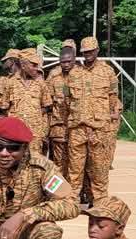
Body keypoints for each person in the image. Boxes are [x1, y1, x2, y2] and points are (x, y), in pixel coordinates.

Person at [66, 37, 120, 203]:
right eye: (85, 52)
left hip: (99, 129)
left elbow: (113, 100)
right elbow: (67, 99)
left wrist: (109, 128)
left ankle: (99, 200)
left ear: (97, 50)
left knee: (98, 168)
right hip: (77, 128)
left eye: (91, 51)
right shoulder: (74, 73)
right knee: (75, 169)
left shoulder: (108, 72)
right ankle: (72, 201)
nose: (88, 54)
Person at [0, 49, 52, 154]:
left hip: (35, 133)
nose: (36, 68)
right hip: (15, 132)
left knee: (34, 160)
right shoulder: (10, 83)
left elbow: (47, 106)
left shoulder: (41, 84)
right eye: (34, 65)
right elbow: (4, 107)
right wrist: (15, 117)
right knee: (16, 159)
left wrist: (35, 115)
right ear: (23, 66)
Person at [47, 41, 76, 176]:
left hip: (78, 128)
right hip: (59, 126)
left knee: (76, 164)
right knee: (59, 163)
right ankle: (60, 188)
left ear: (74, 59)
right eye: (63, 62)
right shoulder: (54, 78)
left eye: (69, 61)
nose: (66, 64)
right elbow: (47, 102)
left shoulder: (82, 77)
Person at [0, 49, 21, 113]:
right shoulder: (5, 79)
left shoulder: (20, 79)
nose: (3, 63)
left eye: (5, 60)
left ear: (12, 61)